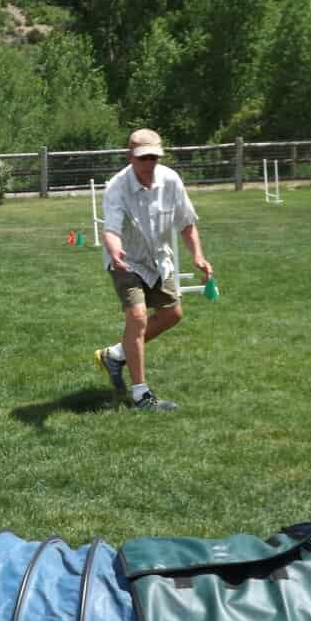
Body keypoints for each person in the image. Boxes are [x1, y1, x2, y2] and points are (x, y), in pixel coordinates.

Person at [94, 128, 213, 412]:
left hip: (160, 259)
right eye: (142, 158)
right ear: (130, 157)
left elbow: (186, 222)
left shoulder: (170, 180)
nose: (148, 164)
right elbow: (110, 229)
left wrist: (198, 256)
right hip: (126, 260)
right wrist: (114, 250)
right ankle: (141, 396)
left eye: (153, 158)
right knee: (137, 318)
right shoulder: (117, 187)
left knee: (172, 314)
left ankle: (116, 355)